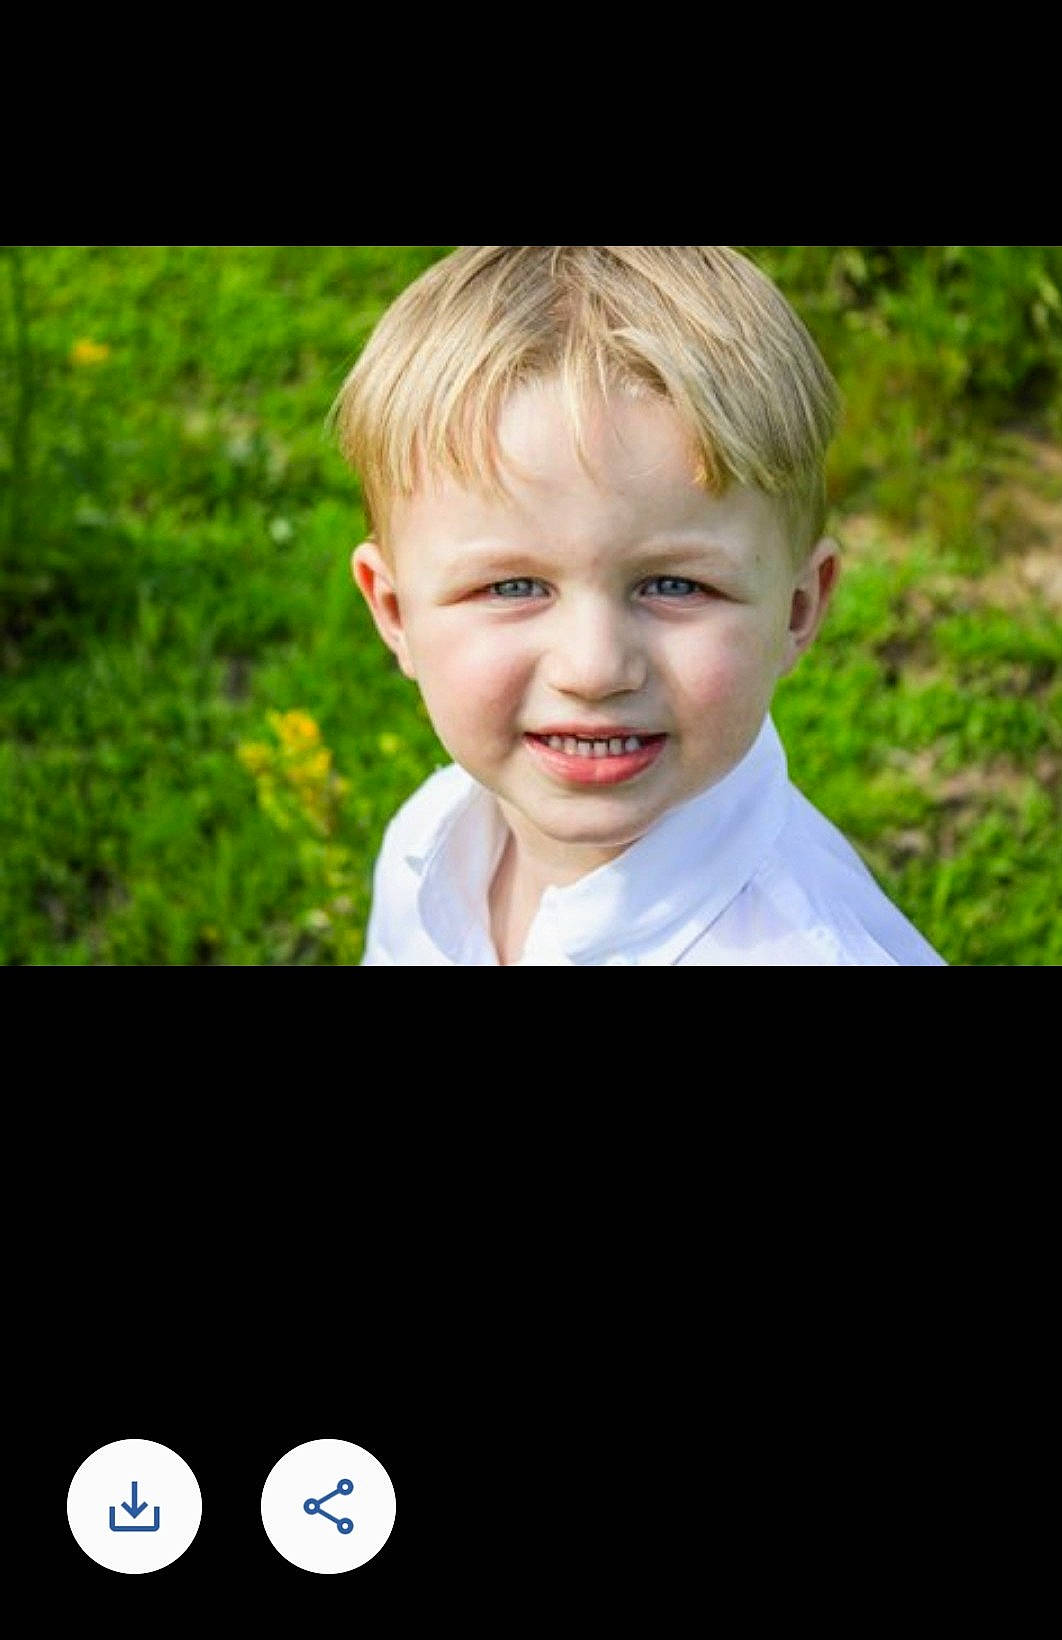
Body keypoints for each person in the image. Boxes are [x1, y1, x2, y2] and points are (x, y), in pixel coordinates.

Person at [332, 246, 945, 966]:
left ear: (798, 608)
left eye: (676, 585)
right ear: (396, 613)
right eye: (512, 586)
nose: (594, 669)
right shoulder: (429, 847)